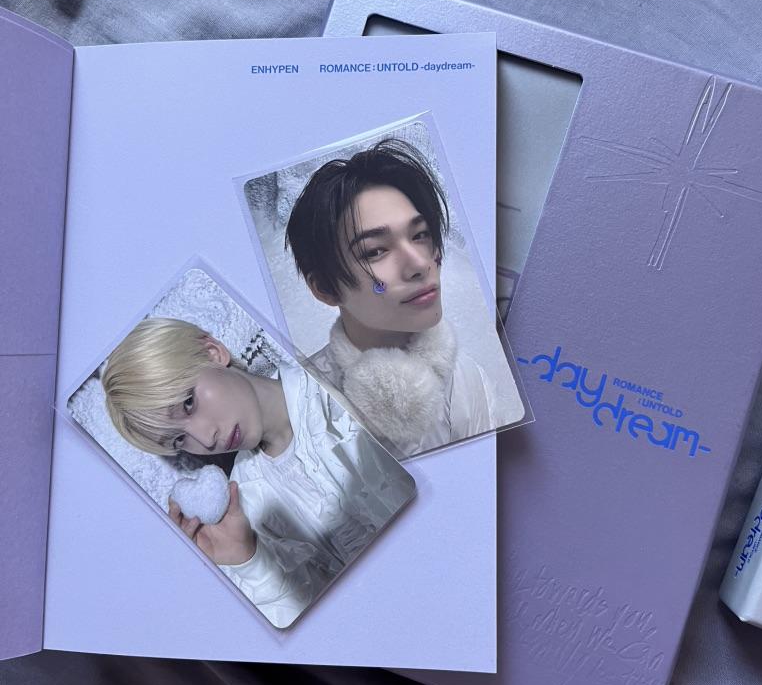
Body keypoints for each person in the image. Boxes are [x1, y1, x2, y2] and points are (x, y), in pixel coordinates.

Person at [101, 317, 413, 628]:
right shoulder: (244, 506)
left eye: (188, 403)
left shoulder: (339, 378)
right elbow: (316, 625)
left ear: (213, 352)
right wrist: (248, 561)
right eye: (179, 440)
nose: (206, 438)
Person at [285, 138, 510, 458]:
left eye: (420, 235)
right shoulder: (299, 406)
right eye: (375, 251)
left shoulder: (468, 381)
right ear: (324, 287)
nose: (420, 263)